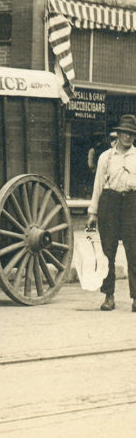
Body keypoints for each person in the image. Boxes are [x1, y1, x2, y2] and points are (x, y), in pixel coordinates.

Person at [86, 115, 136, 312]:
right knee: (108, 252)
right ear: (118, 133)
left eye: (132, 133)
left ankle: (135, 298)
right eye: (125, 132)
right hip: (109, 203)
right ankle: (109, 296)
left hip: (132, 203)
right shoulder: (105, 157)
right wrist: (93, 212)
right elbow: (98, 185)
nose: (128, 137)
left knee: (134, 251)